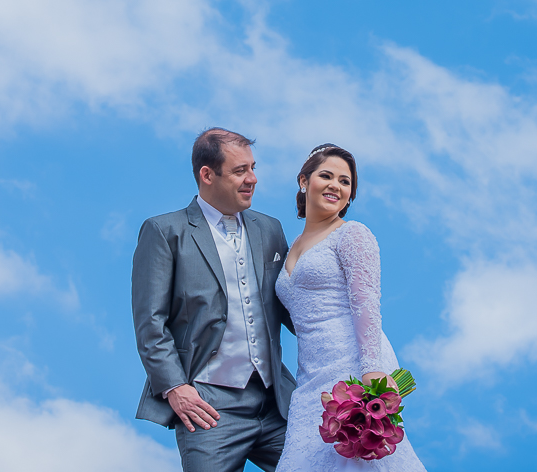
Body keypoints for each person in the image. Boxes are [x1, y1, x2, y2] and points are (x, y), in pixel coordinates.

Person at [132, 128, 298, 472]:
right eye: (240, 171)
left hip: (275, 401)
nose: (252, 179)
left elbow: (289, 307)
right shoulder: (165, 232)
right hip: (208, 405)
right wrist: (175, 387)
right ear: (207, 175)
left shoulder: (270, 229)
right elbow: (150, 321)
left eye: (253, 168)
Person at [274, 144, 428, 471]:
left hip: (354, 368)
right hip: (309, 378)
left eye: (345, 182)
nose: (336, 185)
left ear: (349, 196)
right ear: (304, 181)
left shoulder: (352, 235)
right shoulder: (288, 248)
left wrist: (372, 373)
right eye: (326, 176)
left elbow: (367, 307)